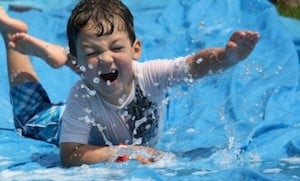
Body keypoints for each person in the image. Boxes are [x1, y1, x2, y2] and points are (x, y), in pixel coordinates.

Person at [0, 0, 259, 168]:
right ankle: (12, 39)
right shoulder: (81, 95)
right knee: (28, 114)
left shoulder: (150, 75)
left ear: (136, 49)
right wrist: (128, 152)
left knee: (97, 68)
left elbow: (195, 65)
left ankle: (62, 54)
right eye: (91, 51)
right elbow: (71, 154)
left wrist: (228, 56)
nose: (105, 57)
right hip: (56, 121)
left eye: (117, 47)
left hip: (88, 76)